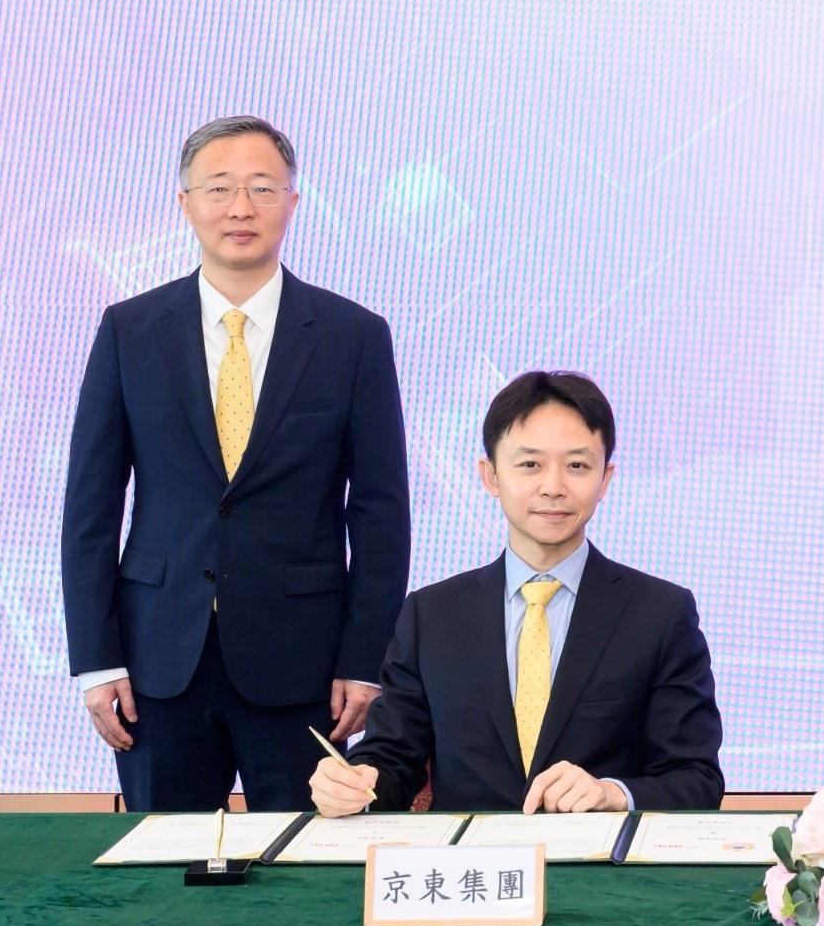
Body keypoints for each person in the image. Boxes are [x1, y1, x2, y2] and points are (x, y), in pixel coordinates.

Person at [61, 116, 408, 810]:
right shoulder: (130, 331)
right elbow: (90, 510)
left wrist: (364, 660)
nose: (240, 207)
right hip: (159, 662)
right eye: (219, 188)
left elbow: (379, 514)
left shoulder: (353, 338)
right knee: (162, 875)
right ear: (184, 204)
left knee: (306, 875)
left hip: (305, 667)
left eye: (261, 188)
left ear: (293, 203)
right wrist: (96, 661)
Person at [311, 371, 723, 816]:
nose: (553, 486)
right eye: (529, 464)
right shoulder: (431, 615)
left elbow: (696, 779)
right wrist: (358, 781)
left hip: (600, 872)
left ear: (605, 480)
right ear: (490, 476)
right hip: (470, 872)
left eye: (577, 466)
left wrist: (611, 793)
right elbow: (391, 759)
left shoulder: (660, 614)